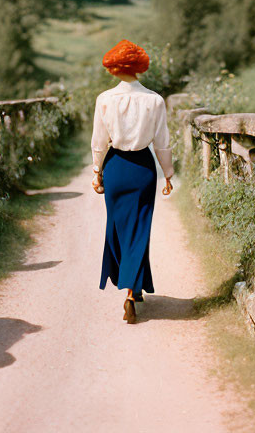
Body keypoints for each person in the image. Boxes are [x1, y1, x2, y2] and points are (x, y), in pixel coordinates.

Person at [90, 39, 175, 324]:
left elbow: (99, 143)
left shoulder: (104, 99)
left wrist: (96, 171)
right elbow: (162, 142)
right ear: (139, 67)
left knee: (117, 226)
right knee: (140, 228)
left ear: (114, 67)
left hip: (115, 167)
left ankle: (130, 286)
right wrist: (168, 174)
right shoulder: (155, 100)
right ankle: (132, 290)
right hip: (142, 168)